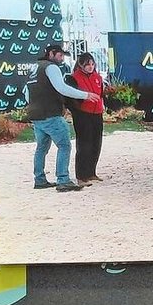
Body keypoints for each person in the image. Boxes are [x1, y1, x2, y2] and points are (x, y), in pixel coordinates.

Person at [29, 42, 98, 192]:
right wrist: (85, 95)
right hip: (50, 113)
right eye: (59, 55)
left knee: (41, 148)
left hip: (35, 114)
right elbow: (62, 88)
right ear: (51, 53)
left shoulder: (34, 67)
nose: (61, 59)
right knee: (64, 145)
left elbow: (26, 91)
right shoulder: (51, 67)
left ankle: (39, 179)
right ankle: (63, 179)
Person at [68, 52, 105, 187]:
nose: (90, 67)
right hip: (83, 114)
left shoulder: (98, 77)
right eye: (87, 64)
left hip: (97, 113)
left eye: (92, 64)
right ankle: (81, 175)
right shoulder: (73, 78)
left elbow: (100, 94)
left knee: (96, 143)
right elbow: (71, 99)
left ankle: (91, 172)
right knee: (84, 145)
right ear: (80, 65)